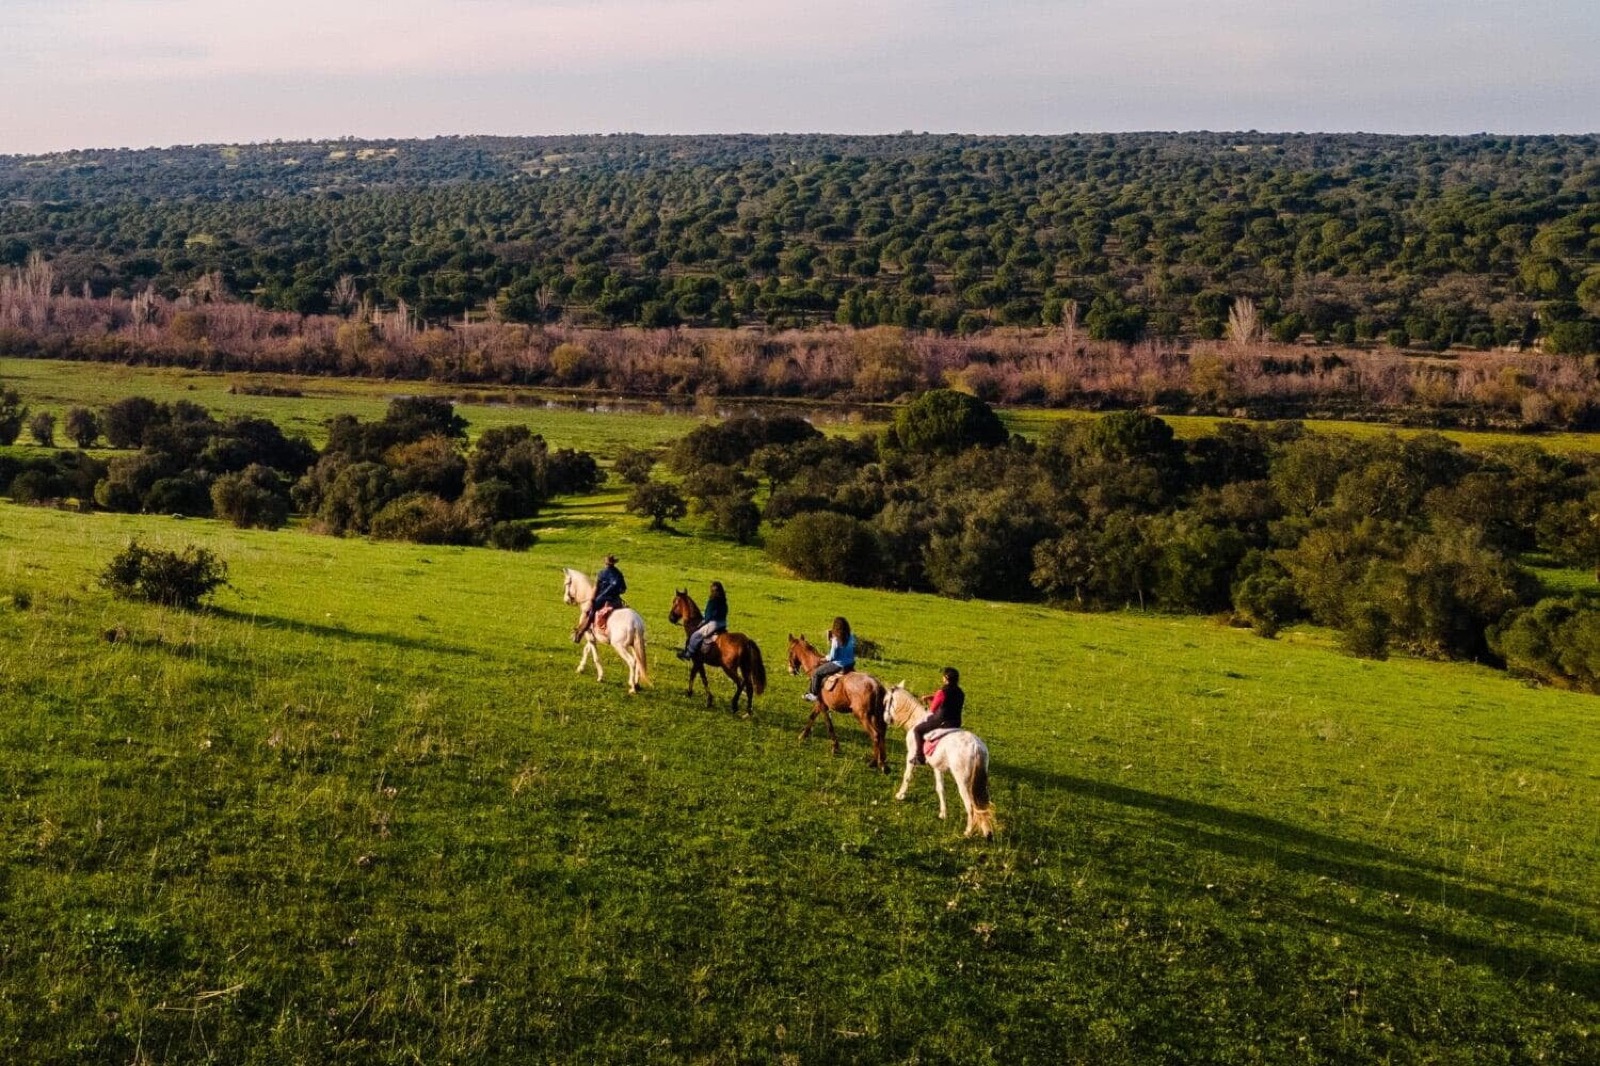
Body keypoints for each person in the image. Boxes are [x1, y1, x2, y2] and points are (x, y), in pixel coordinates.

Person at [910, 666, 964, 765]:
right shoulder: (961, 692)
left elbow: (932, 710)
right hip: (956, 722)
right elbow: (948, 699)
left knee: (917, 730)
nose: (942, 678)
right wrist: (931, 697)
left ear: (946, 678)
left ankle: (919, 756)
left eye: (943, 676)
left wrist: (929, 703)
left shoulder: (942, 692)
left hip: (941, 721)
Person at [573, 554, 627, 642]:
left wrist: (592, 600)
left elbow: (596, 588)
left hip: (602, 599)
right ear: (614, 564)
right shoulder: (619, 574)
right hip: (615, 600)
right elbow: (623, 589)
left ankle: (579, 634)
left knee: (590, 613)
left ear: (605, 563)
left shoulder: (601, 573)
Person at [804, 616, 855, 701]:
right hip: (850, 663)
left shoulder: (836, 639)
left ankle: (814, 694)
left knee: (817, 673)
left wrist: (822, 659)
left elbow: (832, 657)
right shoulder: (851, 637)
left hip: (839, 665)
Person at [678, 580, 728, 661]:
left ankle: (688, 654)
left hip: (714, 623)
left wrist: (703, 622)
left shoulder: (713, 601)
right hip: (723, 623)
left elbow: (708, 615)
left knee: (695, 636)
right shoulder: (724, 600)